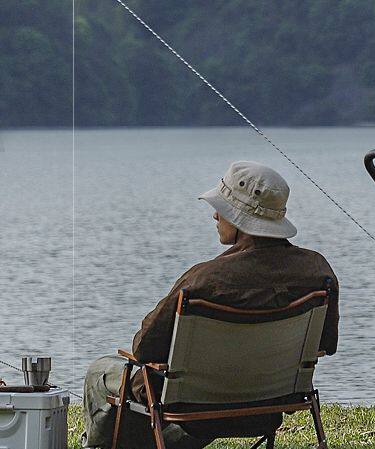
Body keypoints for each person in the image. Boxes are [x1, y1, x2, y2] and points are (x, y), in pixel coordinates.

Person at [82, 161, 339, 449]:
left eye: (222, 209)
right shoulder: (318, 272)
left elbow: (144, 349)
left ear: (240, 220)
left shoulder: (204, 281)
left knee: (101, 371)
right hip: (270, 404)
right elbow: (326, 344)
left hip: (196, 408)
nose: (215, 215)